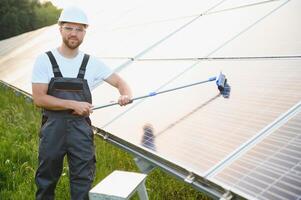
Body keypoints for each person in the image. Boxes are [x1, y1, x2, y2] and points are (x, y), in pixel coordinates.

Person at [31, 6, 132, 200]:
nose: (74, 34)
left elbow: (120, 83)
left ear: (85, 32)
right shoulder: (45, 60)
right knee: (46, 179)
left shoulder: (92, 63)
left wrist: (125, 95)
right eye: (69, 28)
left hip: (81, 130)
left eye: (79, 29)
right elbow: (39, 98)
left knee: (82, 182)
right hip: (53, 128)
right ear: (60, 28)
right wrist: (73, 104)